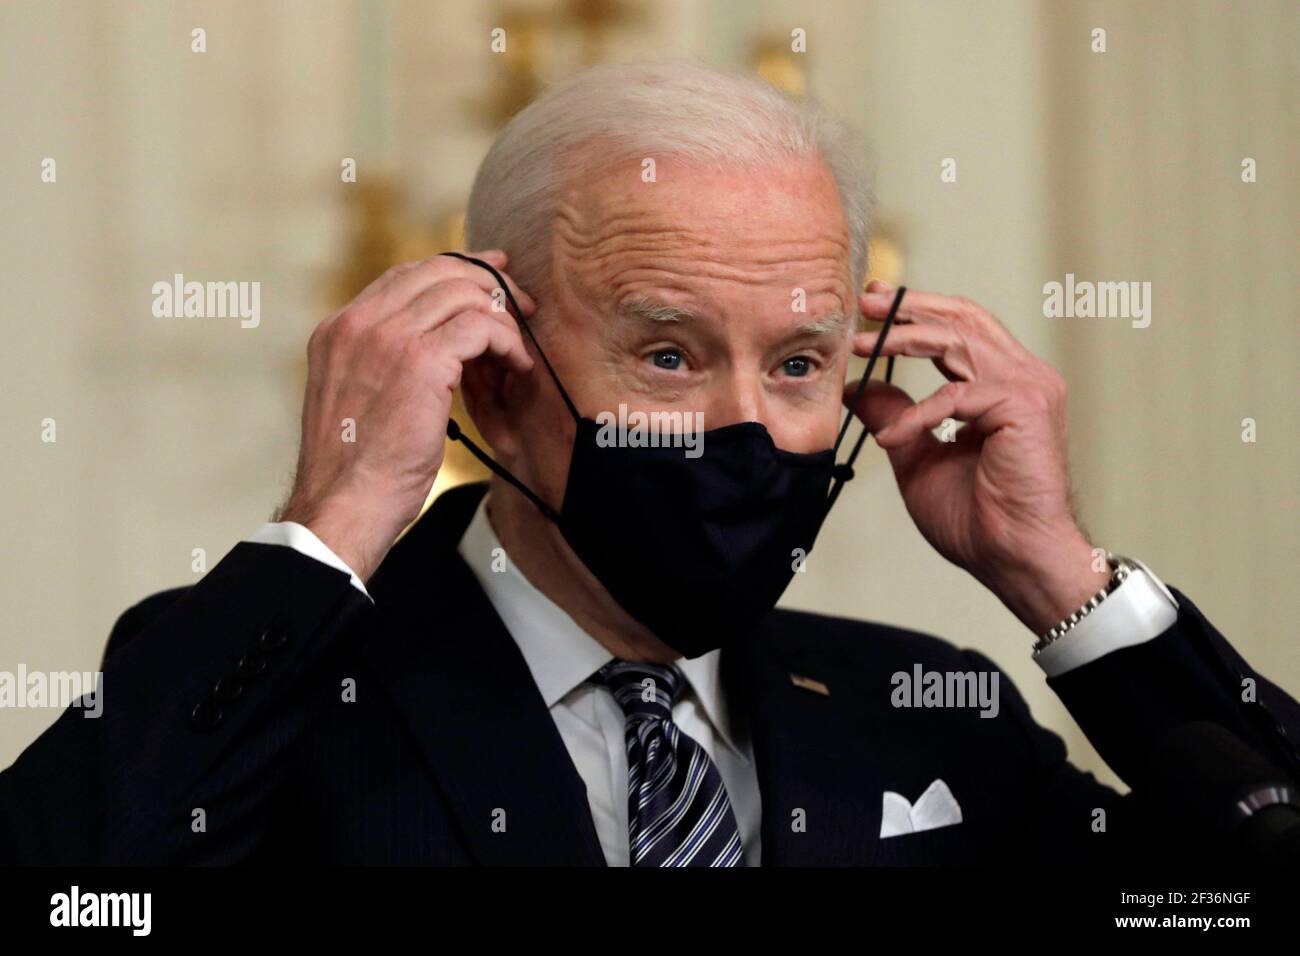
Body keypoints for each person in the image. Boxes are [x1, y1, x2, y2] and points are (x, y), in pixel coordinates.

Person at [2, 62, 1296, 866]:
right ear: (495, 375)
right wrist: (335, 516)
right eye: (667, 355)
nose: (749, 422)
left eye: (797, 363)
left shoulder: (921, 703)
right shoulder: (283, 702)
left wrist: (1055, 572)